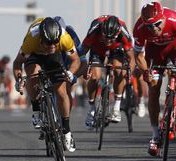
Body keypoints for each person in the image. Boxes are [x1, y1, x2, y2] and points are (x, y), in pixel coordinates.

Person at [133, 2, 176, 156]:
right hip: (154, 53)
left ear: (163, 17)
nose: (154, 29)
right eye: (149, 26)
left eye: (157, 24)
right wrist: (145, 71)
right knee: (153, 87)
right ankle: (155, 135)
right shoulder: (139, 28)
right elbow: (137, 55)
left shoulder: (175, 20)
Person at [12, 16, 80, 152]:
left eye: (55, 43)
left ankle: (67, 131)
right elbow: (17, 63)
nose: (52, 46)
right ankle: (36, 110)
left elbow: (75, 60)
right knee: (33, 74)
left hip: (54, 57)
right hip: (35, 55)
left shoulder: (64, 38)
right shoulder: (32, 39)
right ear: (41, 39)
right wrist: (19, 79)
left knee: (61, 91)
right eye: (49, 43)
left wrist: (71, 73)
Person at [81, 15, 135, 130]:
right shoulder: (95, 28)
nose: (108, 41)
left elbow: (131, 58)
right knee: (95, 77)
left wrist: (129, 73)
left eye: (112, 38)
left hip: (117, 49)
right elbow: (83, 51)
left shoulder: (123, 32)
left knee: (119, 71)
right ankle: (91, 109)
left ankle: (116, 107)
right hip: (97, 48)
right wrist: (84, 67)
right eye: (106, 37)